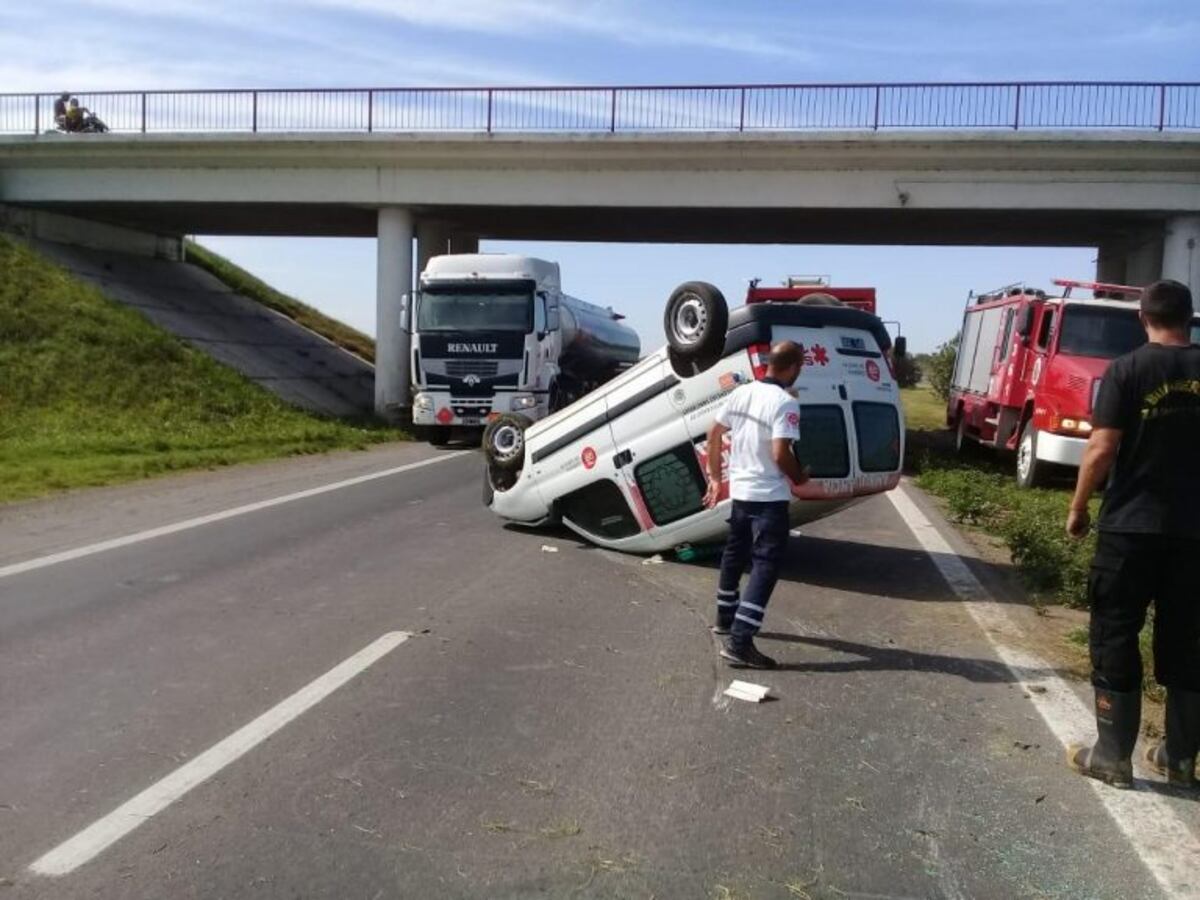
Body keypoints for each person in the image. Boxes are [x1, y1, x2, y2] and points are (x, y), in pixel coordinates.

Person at [1065, 279, 1200, 791]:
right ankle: (1181, 759)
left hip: (1131, 528)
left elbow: (1101, 448)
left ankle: (1113, 756)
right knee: (1189, 639)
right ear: (1189, 318)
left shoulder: (1127, 369)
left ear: (1143, 318)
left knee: (1116, 631)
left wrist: (1078, 507)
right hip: (1195, 536)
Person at [703, 341, 809, 669]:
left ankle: (724, 619)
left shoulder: (741, 393)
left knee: (734, 556)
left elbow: (714, 431)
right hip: (769, 499)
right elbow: (780, 454)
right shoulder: (785, 403)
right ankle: (740, 642)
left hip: (742, 493)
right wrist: (800, 478)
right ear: (793, 367)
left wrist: (715, 477)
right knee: (765, 565)